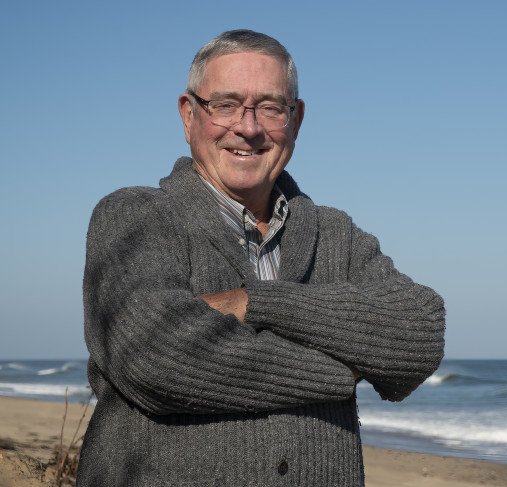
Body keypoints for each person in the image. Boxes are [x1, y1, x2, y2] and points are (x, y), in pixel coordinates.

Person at [78, 29, 445, 486]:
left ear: (297, 120)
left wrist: (254, 303)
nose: (248, 128)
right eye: (226, 104)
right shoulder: (135, 217)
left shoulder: (337, 234)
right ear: (189, 115)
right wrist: (344, 372)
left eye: (270, 107)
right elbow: (156, 356)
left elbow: (420, 335)